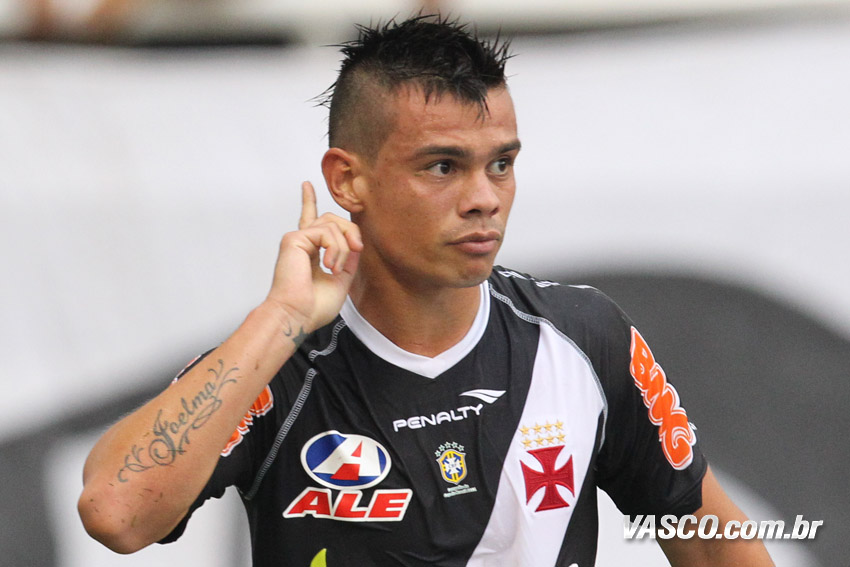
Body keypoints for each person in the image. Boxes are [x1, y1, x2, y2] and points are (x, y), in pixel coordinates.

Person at [78, 16, 774, 567]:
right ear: (348, 180)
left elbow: (716, 546)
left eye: (501, 164)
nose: (484, 199)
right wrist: (283, 315)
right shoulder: (278, 363)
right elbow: (115, 513)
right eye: (443, 166)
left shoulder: (584, 337)